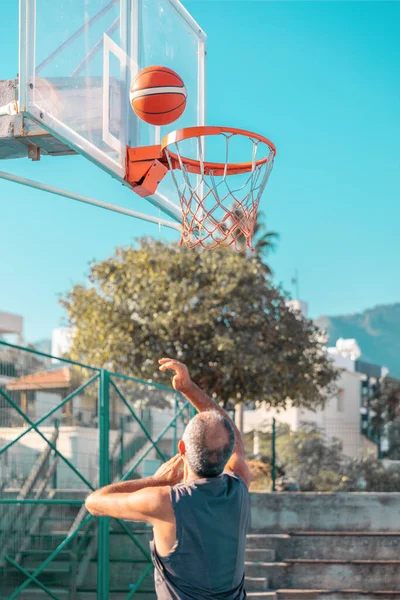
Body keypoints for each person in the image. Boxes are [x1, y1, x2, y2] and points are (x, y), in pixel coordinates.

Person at [85, 358, 251, 600]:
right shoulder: (239, 486)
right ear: (228, 452)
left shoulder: (164, 501)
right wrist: (189, 389)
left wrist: (157, 480)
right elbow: (233, 435)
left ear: (182, 449)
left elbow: (94, 501)